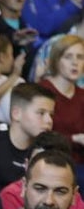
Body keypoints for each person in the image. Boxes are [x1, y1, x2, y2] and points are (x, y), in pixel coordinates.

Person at [0, 132, 84, 209]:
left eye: (60, 191)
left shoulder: (71, 193)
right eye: (39, 189)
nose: (49, 201)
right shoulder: (11, 194)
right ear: (26, 165)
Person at [0, 82, 55, 190]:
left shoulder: (49, 150)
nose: (49, 120)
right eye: (41, 113)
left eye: (51, 115)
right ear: (16, 113)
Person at [38, 34, 84, 165]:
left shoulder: (82, 94)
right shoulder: (42, 90)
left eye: (80, 57)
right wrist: (75, 139)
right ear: (56, 60)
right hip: (50, 161)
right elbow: (40, 137)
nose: (75, 62)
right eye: (68, 57)